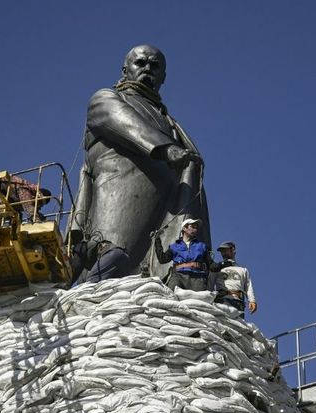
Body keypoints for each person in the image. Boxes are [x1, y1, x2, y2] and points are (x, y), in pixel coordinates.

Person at [68, 45, 210, 284]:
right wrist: (167, 149)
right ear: (126, 70)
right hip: (120, 194)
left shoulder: (168, 120)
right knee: (112, 259)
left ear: (163, 77)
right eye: (140, 63)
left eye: (155, 66)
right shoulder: (107, 97)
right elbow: (123, 121)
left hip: (168, 204)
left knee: (157, 268)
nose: (147, 69)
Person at [155, 218, 210, 291]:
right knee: (171, 295)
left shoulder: (202, 246)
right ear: (184, 228)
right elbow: (162, 259)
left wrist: (222, 264)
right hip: (178, 276)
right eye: (192, 227)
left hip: (197, 277)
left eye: (196, 228)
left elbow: (210, 264)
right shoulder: (174, 246)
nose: (195, 229)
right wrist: (157, 240)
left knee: (199, 299)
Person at [211, 241, 257, 319]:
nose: (223, 253)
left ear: (233, 250)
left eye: (225, 250)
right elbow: (210, 284)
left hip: (238, 302)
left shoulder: (242, 270)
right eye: (222, 251)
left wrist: (252, 300)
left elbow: (248, 287)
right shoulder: (218, 268)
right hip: (222, 301)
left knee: (238, 326)